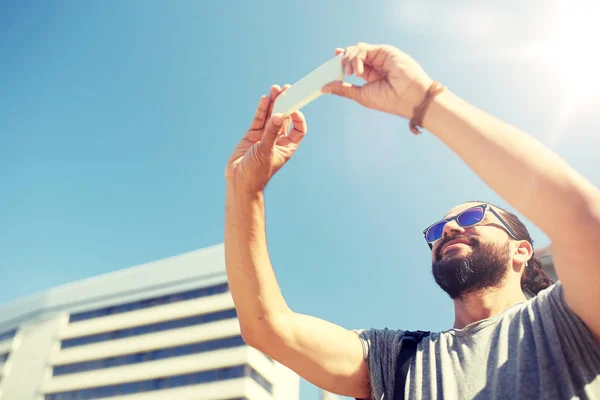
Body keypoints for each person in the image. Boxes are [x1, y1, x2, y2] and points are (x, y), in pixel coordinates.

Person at [223, 42, 600, 399]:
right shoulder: (395, 360)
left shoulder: (569, 317)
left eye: (472, 217)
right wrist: (244, 188)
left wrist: (424, 100)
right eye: (436, 230)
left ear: (522, 251)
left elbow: (586, 226)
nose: (448, 229)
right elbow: (267, 327)